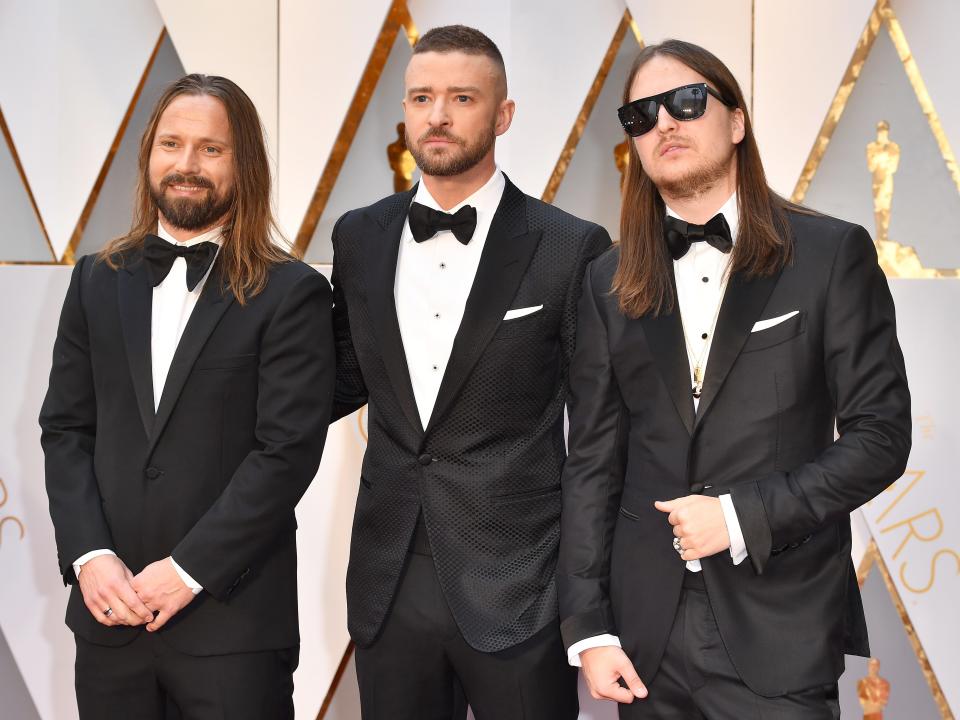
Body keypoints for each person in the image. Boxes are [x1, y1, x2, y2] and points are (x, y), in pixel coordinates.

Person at [558, 39, 911, 718]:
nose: (664, 122)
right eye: (640, 115)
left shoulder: (830, 255)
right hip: (643, 638)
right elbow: (593, 463)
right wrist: (589, 626)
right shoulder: (606, 280)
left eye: (686, 102)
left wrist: (740, 516)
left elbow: (880, 437)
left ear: (737, 120)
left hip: (780, 625)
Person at [330, 24, 611, 720]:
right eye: (422, 97)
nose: (438, 115)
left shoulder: (570, 247)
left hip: (519, 586)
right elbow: (332, 381)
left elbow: (602, 431)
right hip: (389, 582)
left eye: (461, 97)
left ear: (503, 115)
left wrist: (586, 594)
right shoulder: (358, 236)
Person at [39, 74, 334, 719]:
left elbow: (285, 453)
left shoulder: (291, 292)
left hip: (232, 629)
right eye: (171, 143)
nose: (187, 164)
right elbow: (66, 431)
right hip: (109, 619)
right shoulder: (96, 279)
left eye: (211, 149)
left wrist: (190, 568)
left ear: (244, 165)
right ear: (149, 154)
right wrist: (89, 556)